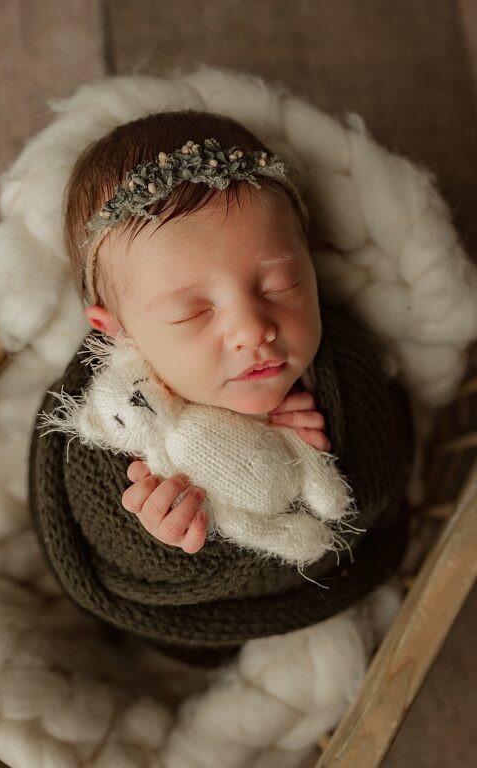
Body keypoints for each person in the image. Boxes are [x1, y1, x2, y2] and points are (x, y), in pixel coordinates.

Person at [29, 110, 413, 664]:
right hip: (189, 614)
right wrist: (163, 535)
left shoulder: (340, 367)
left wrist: (318, 461)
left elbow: (383, 458)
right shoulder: (111, 422)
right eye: (192, 313)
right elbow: (92, 525)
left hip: (321, 586)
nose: (254, 329)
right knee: (185, 649)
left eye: (281, 283)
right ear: (118, 332)